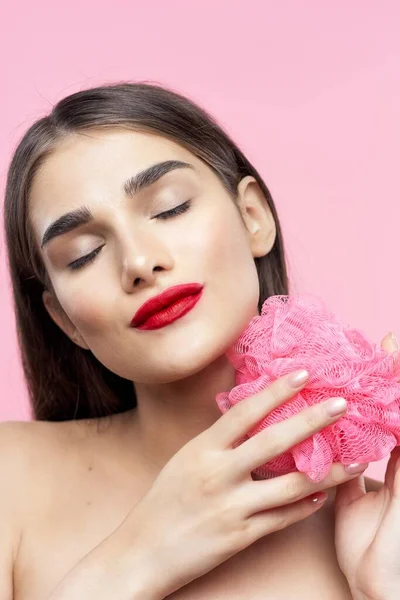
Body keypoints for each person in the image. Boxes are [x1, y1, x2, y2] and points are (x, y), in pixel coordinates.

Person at [0, 81, 389, 599]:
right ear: (65, 321)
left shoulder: (378, 532)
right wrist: (137, 559)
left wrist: (382, 589)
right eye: (83, 254)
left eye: (169, 208)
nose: (139, 262)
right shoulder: (12, 478)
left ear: (253, 217)